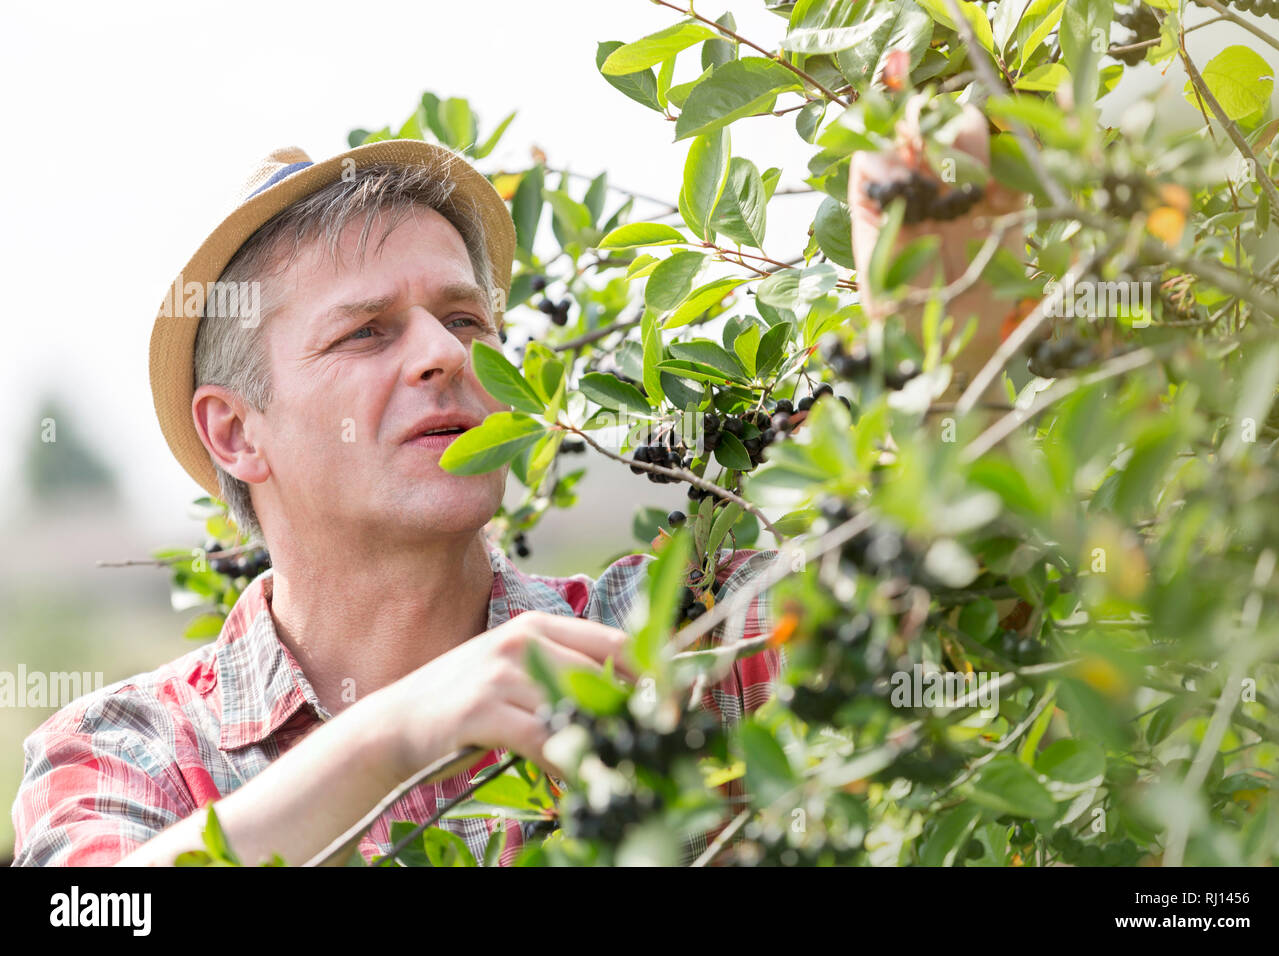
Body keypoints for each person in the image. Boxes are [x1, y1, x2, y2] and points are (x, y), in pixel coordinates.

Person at [11, 104, 1016, 867]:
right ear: (236, 432)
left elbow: (947, 589)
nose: (442, 356)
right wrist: (405, 728)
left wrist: (943, 332)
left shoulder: (665, 634)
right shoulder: (132, 745)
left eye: (467, 321)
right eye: (366, 331)